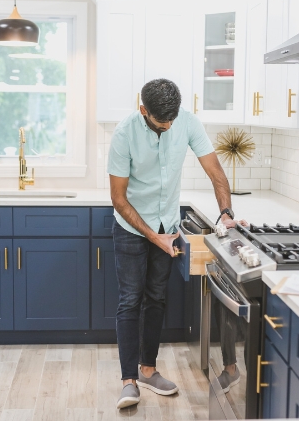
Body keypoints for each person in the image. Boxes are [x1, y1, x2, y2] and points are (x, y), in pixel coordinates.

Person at [107, 78, 245, 409]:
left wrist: (226, 213)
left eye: (172, 119)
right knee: (130, 300)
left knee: (156, 298)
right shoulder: (125, 133)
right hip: (131, 226)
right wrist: (155, 237)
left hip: (166, 223)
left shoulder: (186, 122)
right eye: (161, 122)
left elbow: (216, 174)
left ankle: (148, 371)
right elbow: (118, 198)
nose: (169, 126)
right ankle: (128, 382)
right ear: (144, 111)